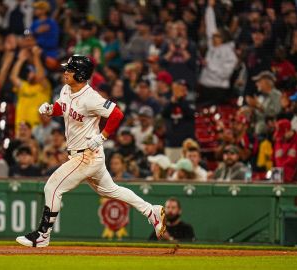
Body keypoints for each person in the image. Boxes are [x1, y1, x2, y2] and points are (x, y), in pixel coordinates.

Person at [16, 56, 166, 248]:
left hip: (87, 155)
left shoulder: (90, 97)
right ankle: (151, 211)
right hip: (85, 155)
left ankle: (43, 234)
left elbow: (117, 114)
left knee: (52, 187)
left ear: (80, 74)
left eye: (69, 70)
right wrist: (49, 110)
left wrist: (102, 136)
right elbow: (62, 107)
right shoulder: (66, 89)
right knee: (112, 190)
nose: (65, 72)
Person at [162, 79, 195, 162]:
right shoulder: (169, 102)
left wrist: (180, 99)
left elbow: (190, 114)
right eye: (179, 89)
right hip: (171, 143)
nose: (182, 91)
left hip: (186, 144)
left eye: (184, 89)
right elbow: (164, 114)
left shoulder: (190, 101)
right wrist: (173, 101)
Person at [273, 119, 297, 184]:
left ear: (287, 130)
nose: (280, 137)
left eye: (282, 135)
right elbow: (275, 163)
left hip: (296, 182)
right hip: (280, 182)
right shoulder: (278, 142)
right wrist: (275, 181)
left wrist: (293, 183)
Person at [246, 71, 282, 136]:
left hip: (269, 134)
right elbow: (257, 114)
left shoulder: (277, 95)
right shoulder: (261, 97)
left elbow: (276, 112)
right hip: (257, 132)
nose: (256, 84)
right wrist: (251, 110)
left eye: (259, 82)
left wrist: (258, 106)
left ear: (266, 82)